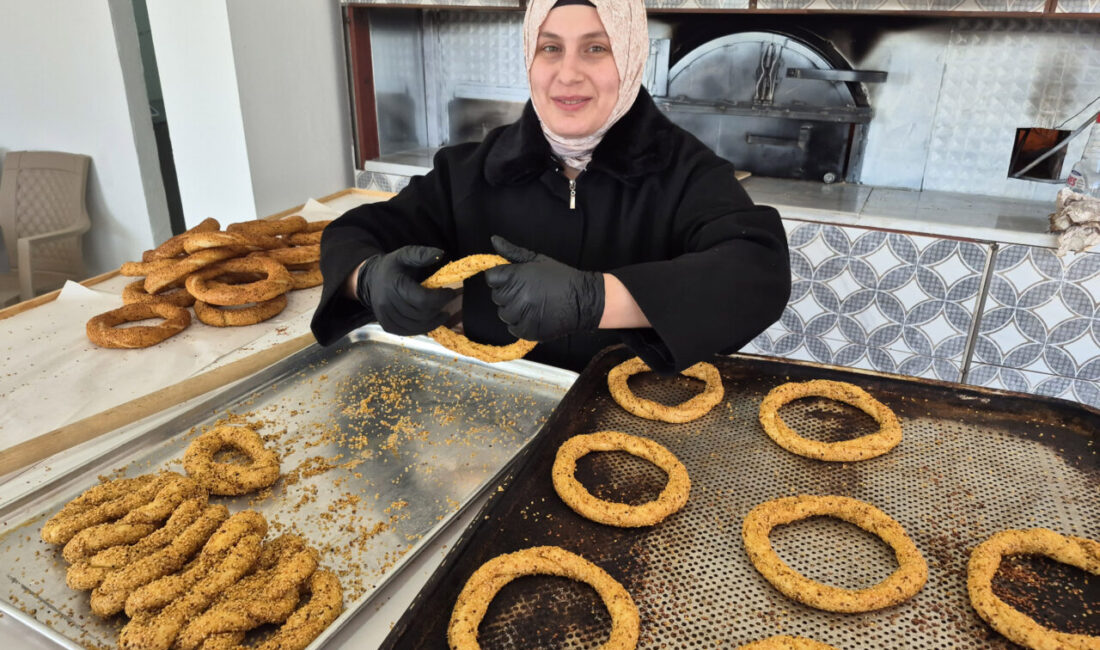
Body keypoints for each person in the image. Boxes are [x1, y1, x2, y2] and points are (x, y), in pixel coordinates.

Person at [311, 0, 791, 374]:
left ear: (631, 55)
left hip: (628, 416)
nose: (568, 73)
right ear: (530, 57)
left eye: (596, 48)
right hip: (489, 405)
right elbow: (354, 232)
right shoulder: (472, 170)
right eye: (551, 47)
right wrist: (366, 279)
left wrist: (596, 299)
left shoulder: (685, 171)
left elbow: (757, 272)